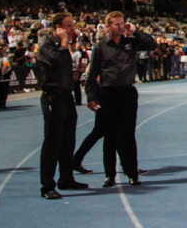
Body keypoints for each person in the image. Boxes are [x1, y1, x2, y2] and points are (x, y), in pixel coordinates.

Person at [85, 11, 156, 188]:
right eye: (116, 24)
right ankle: (110, 175)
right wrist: (90, 96)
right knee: (109, 136)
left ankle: (132, 173)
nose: (120, 27)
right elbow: (92, 73)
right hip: (108, 93)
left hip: (128, 93)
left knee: (128, 135)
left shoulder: (131, 43)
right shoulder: (101, 46)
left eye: (122, 23)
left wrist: (135, 31)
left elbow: (152, 44)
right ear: (108, 26)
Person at [35, 13, 89, 199]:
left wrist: (74, 74)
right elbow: (55, 61)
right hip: (53, 98)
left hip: (66, 97)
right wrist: (64, 42)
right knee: (52, 143)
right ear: (57, 28)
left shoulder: (64, 47)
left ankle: (66, 179)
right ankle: (47, 186)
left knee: (68, 142)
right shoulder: (47, 45)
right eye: (68, 26)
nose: (71, 29)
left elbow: (61, 70)